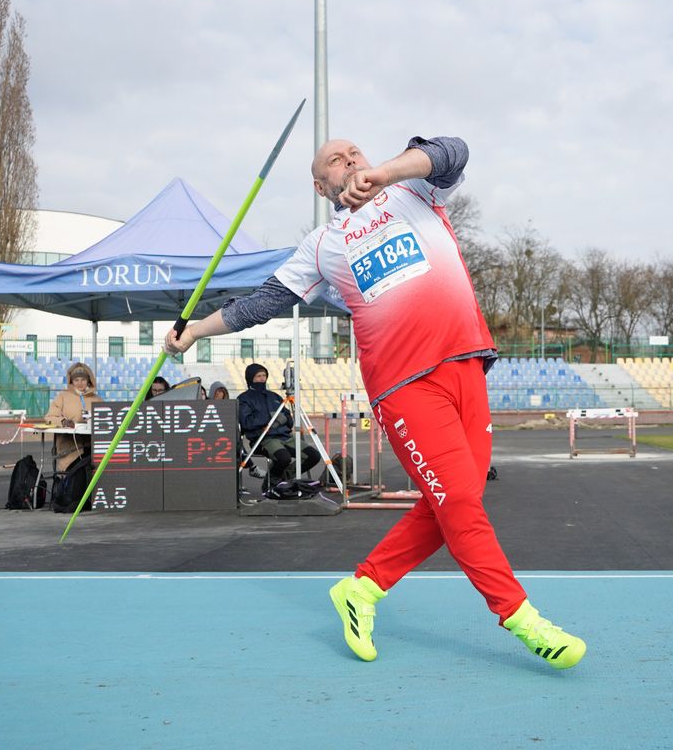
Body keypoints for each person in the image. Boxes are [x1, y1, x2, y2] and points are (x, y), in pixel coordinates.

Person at [165, 135, 585, 670]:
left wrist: (387, 172)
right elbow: (262, 303)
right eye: (334, 161)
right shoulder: (322, 244)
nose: (350, 160)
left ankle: (361, 590)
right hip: (404, 384)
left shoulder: (415, 192)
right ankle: (523, 620)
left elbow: (453, 150)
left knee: (455, 502)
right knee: (458, 501)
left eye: (355, 153)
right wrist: (197, 330)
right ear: (322, 186)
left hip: (466, 365)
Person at [237, 363, 320, 482]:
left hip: (285, 437)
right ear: (250, 378)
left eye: (264, 375)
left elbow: (288, 419)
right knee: (283, 458)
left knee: (314, 456)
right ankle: (270, 483)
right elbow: (246, 422)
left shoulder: (274, 396)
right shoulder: (244, 399)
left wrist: (281, 419)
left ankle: (283, 477)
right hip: (264, 439)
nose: (262, 378)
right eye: (258, 376)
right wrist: (270, 417)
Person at [45, 361, 102, 473]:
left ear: (88, 380)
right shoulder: (62, 397)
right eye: (76, 380)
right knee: (77, 476)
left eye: (83, 380)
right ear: (72, 381)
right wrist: (63, 421)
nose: (80, 383)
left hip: (93, 446)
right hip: (70, 448)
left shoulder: (97, 399)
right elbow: (50, 417)